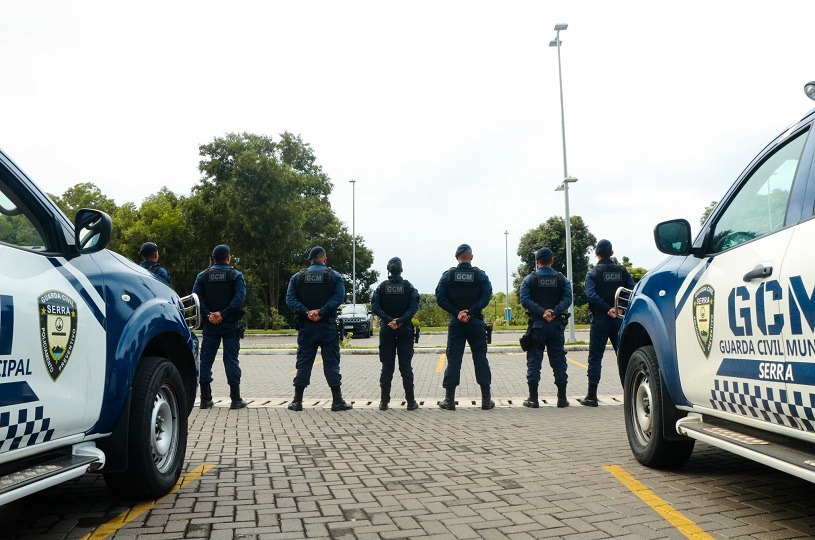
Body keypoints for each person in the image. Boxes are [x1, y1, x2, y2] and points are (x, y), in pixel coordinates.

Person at [285, 246, 352, 412]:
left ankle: (297, 401)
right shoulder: (334, 276)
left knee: (303, 362)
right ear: (325, 259)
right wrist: (321, 312)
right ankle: (337, 401)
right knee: (331, 363)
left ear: (310, 260)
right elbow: (338, 298)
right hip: (327, 326)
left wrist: (307, 312)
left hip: (306, 327)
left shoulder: (297, 277)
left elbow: (290, 300)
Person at [435, 244, 494, 411]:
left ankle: (449, 400)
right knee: (481, 359)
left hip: (456, 323)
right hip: (475, 323)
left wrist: (458, 313)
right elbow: (486, 296)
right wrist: (471, 311)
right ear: (471, 257)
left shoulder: (448, 276)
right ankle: (486, 400)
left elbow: (440, 298)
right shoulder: (480, 275)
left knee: (454, 359)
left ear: (456, 258)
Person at [579, 239, 635, 407]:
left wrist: (607, 309)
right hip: (620, 320)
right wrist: (620, 309)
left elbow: (591, 295)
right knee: (625, 357)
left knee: (595, 357)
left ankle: (591, 396)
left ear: (597, 254)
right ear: (612, 253)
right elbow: (631, 291)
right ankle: (630, 395)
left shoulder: (593, 274)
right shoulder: (622, 271)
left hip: (600, 320)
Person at [193, 244, 247, 410]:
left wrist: (209, 314)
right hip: (230, 324)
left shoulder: (202, 276)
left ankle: (205, 399)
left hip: (210, 325)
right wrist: (223, 314)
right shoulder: (235, 275)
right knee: (231, 360)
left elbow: (196, 298)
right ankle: (236, 400)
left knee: (206, 361)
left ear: (213, 258)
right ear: (229, 257)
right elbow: (239, 298)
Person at [519, 247, 573, 408]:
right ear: (552, 260)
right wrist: (554, 312)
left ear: (537, 262)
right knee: (558, 360)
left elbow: (524, 300)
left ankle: (533, 399)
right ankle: (562, 399)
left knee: (534, 360)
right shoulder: (562, 280)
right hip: (556, 326)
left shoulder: (529, 279)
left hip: (537, 326)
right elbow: (567, 299)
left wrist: (542, 312)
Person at [371, 257, 420, 411]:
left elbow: (375, 307)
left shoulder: (381, 287)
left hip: (387, 329)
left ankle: (384, 402)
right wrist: (401, 320)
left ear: (388, 271)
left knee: (387, 366)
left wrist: (389, 320)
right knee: (406, 366)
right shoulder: (408, 286)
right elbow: (414, 307)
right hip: (405, 328)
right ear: (401, 270)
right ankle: (411, 402)